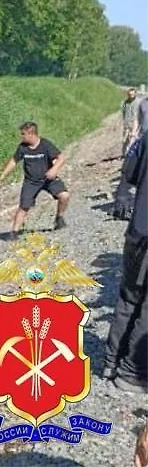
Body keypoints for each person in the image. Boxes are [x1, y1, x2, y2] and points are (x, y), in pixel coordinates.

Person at [102, 129, 147, 394]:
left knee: (130, 297)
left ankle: (111, 361)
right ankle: (133, 373)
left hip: (138, 231)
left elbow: (128, 174)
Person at [0, 122, 70, 237]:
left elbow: (61, 157)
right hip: (31, 181)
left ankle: (59, 218)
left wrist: (54, 169)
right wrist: (2, 175)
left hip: (47, 179)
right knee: (24, 206)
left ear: (31, 134)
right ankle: (14, 232)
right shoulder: (22, 148)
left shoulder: (45, 145)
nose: (21, 136)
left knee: (64, 195)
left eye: (23, 134)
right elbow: (14, 161)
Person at [122, 88, 140, 157]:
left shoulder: (138, 102)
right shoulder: (126, 102)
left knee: (133, 139)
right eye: (129, 94)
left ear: (135, 94)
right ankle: (124, 155)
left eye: (132, 94)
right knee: (124, 140)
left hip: (135, 124)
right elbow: (124, 112)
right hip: (127, 124)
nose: (131, 95)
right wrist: (125, 121)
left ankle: (131, 155)